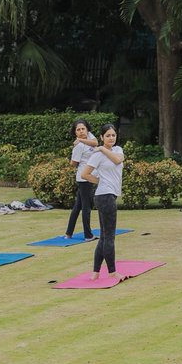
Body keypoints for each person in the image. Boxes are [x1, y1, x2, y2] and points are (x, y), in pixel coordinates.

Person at [81, 124, 125, 282]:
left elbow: (118, 160)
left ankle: (95, 272)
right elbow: (85, 174)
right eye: (108, 135)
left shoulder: (117, 150)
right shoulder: (97, 156)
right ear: (101, 137)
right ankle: (112, 272)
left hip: (108, 196)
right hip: (104, 196)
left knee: (104, 237)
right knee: (109, 237)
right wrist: (100, 181)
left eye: (113, 135)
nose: (111, 138)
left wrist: (101, 148)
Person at [64, 119, 99, 241]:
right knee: (86, 207)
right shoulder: (78, 147)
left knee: (77, 206)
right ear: (75, 132)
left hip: (91, 176)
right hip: (84, 179)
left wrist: (81, 139)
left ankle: (68, 233)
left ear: (87, 129)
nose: (81, 131)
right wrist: (79, 143)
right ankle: (88, 235)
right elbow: (73, 164)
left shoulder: (89, 137)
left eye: (83, 129)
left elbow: (95, 143)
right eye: (78, 130)